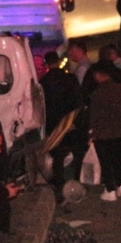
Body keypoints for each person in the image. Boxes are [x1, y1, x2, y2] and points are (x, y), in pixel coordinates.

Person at [40, 51, 83, 190]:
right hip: (70, 121)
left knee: (58, 154)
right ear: (58, 62)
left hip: (53, 123)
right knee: (76, 151)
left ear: (46, 64)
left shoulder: (43, 82)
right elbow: (78, 100)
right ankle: (77, 178)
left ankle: (59, 181)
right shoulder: (70, 79)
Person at [89, 62, 121, 202]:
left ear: (99, 75)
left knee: (106, 162)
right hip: (119, 131)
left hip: (103, 134)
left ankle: (110, 190)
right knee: (117, 160)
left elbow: (94, 117)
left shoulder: (97, 93)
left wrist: (92, 135)